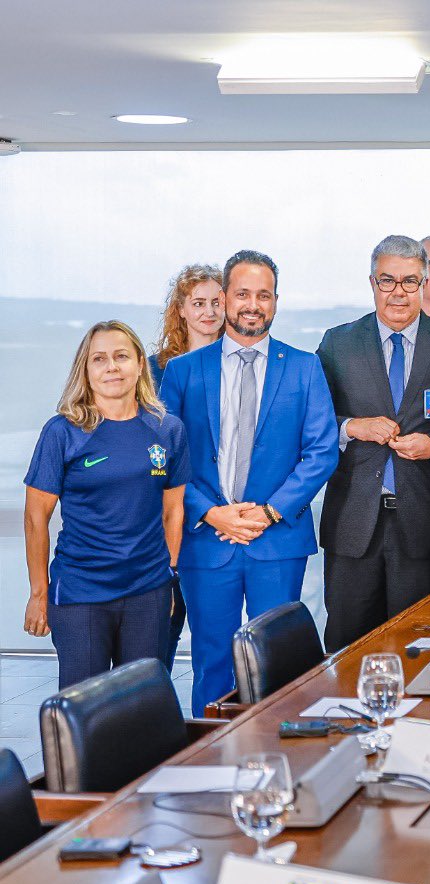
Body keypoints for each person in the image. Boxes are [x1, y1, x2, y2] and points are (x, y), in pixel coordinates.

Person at [158, 250, 339, 710]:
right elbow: (165, 457)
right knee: (212, 662)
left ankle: (275, 747)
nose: (253, 305)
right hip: (207, 539)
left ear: (276, 301)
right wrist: (210, 512)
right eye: (242, 294)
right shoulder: (182, 371)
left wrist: (270, 511)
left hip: (276, 540)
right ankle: (212, 749)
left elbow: (321, 451)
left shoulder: (304, 367)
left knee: (277, 664)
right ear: (224, 297)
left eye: (264, 295)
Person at [316, 235, 430, 650]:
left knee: (421, 647)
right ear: (372, 282)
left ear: (424, 283)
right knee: (347, 648)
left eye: (409, 281)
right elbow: (311, 423)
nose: (398, 293)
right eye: (388, 281)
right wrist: (352, 426)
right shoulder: (338, 344)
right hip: (353, 523)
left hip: (424, 523)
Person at [24, 322, 189, 690]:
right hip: (81, 591)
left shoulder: (168, 430)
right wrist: (39, 593)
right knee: (87, 706)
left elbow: (173, 511)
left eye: (121, 356)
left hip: (148, 590)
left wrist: (169, 577)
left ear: (140, 364)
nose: (112, 366)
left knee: (142, 702)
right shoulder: (62, 432)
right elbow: (36, 517)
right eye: (99, 359)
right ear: (85, 369)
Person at [149, 263, 223, 670]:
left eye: (216, 302)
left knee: (215, 637)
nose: (209, 312)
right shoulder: (153, 370)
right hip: (167, 515)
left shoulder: (242, 363)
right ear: (180, 309)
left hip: (221, 518)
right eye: (198, 303)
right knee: (161, 630)